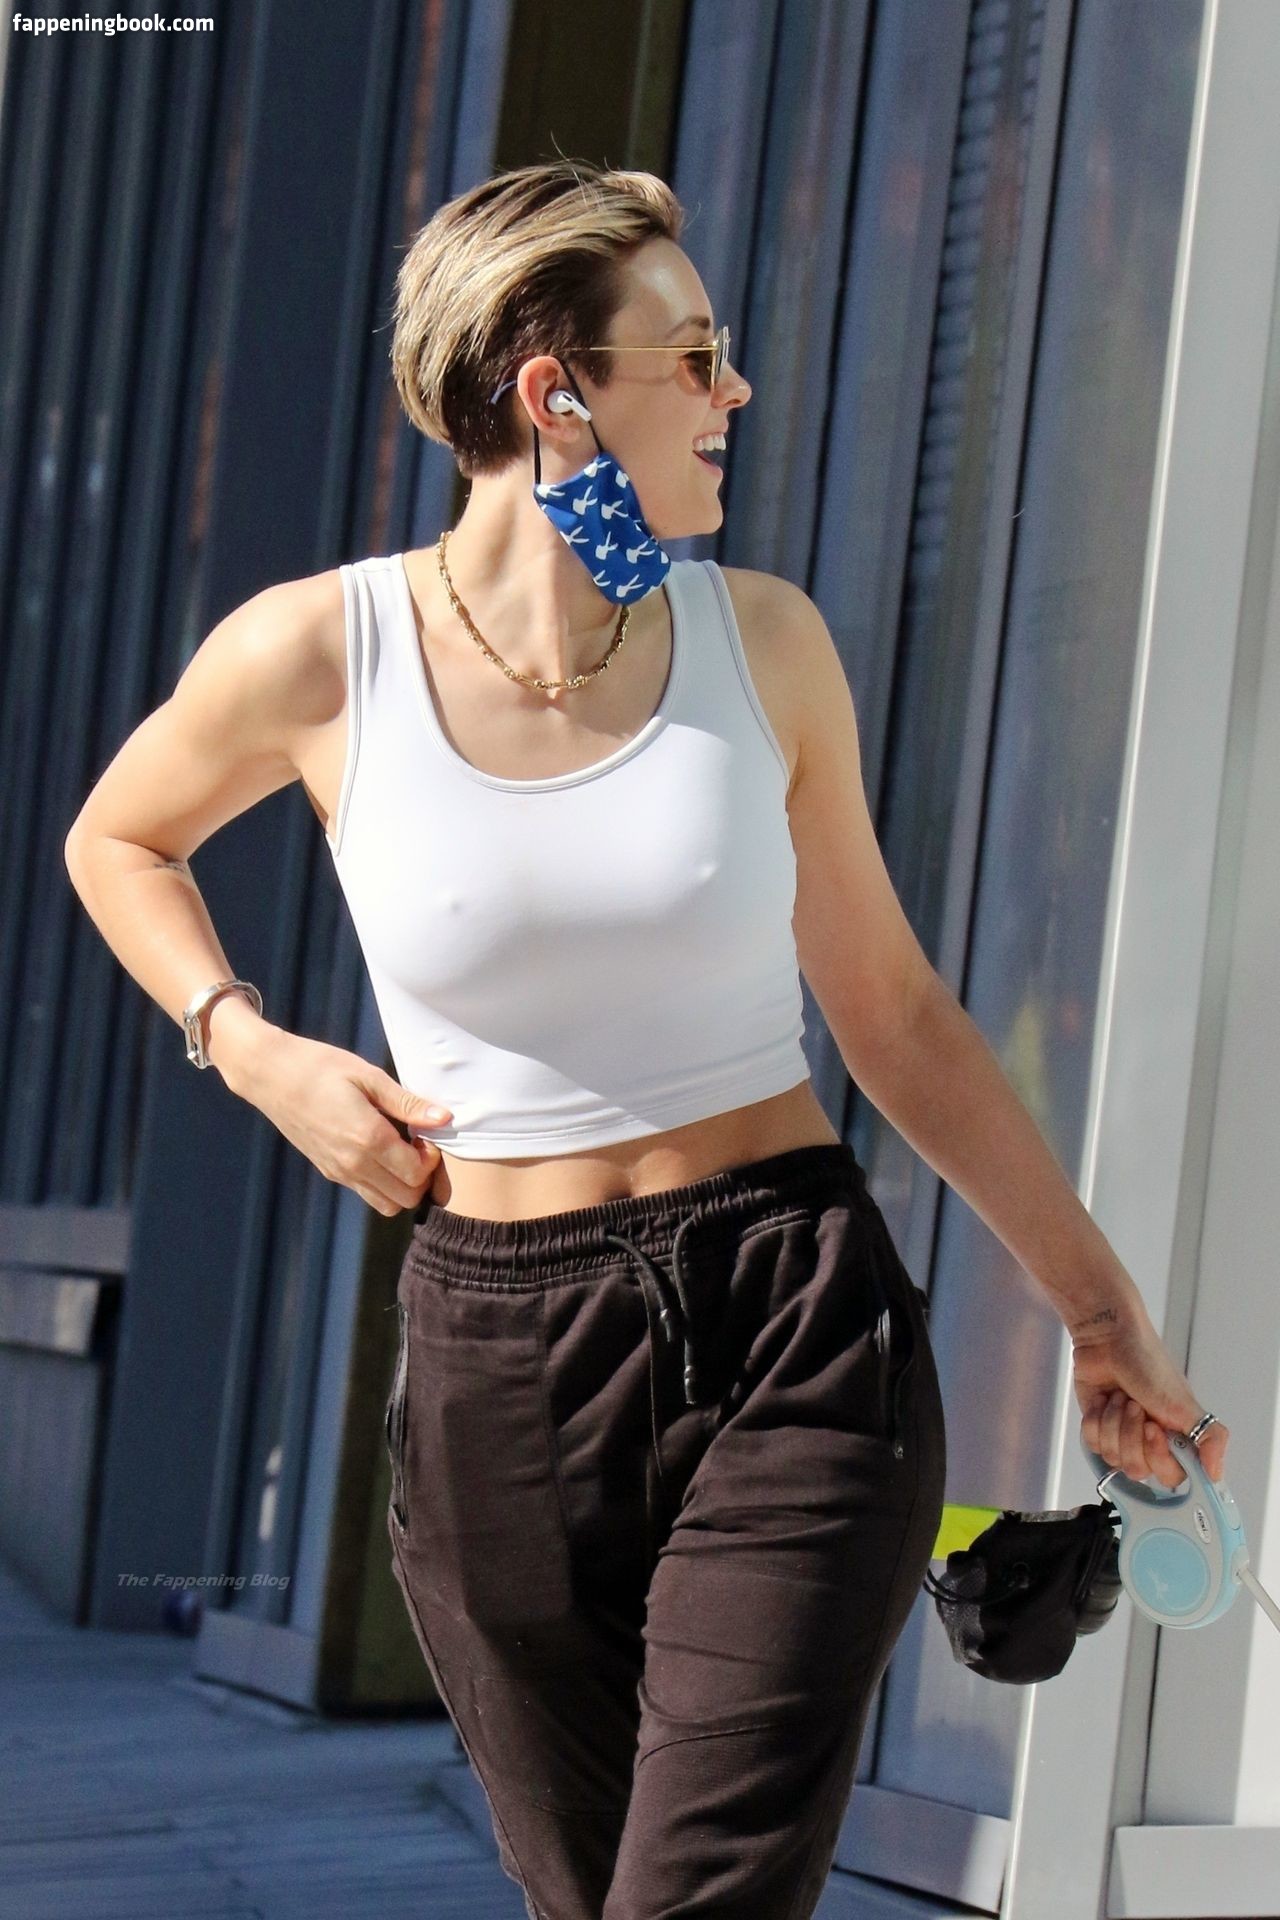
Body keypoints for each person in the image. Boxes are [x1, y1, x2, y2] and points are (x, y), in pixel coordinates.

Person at [64, 160, 1230, 1920]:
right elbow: (119, 839)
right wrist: (252, 1047)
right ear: (556, 394)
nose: (733, 390)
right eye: (691, 355)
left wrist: (1097, 1307)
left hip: (795, 1319)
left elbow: (894, 1010)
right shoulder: (320, 651)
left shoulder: (761, 644)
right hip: (500, 1358)